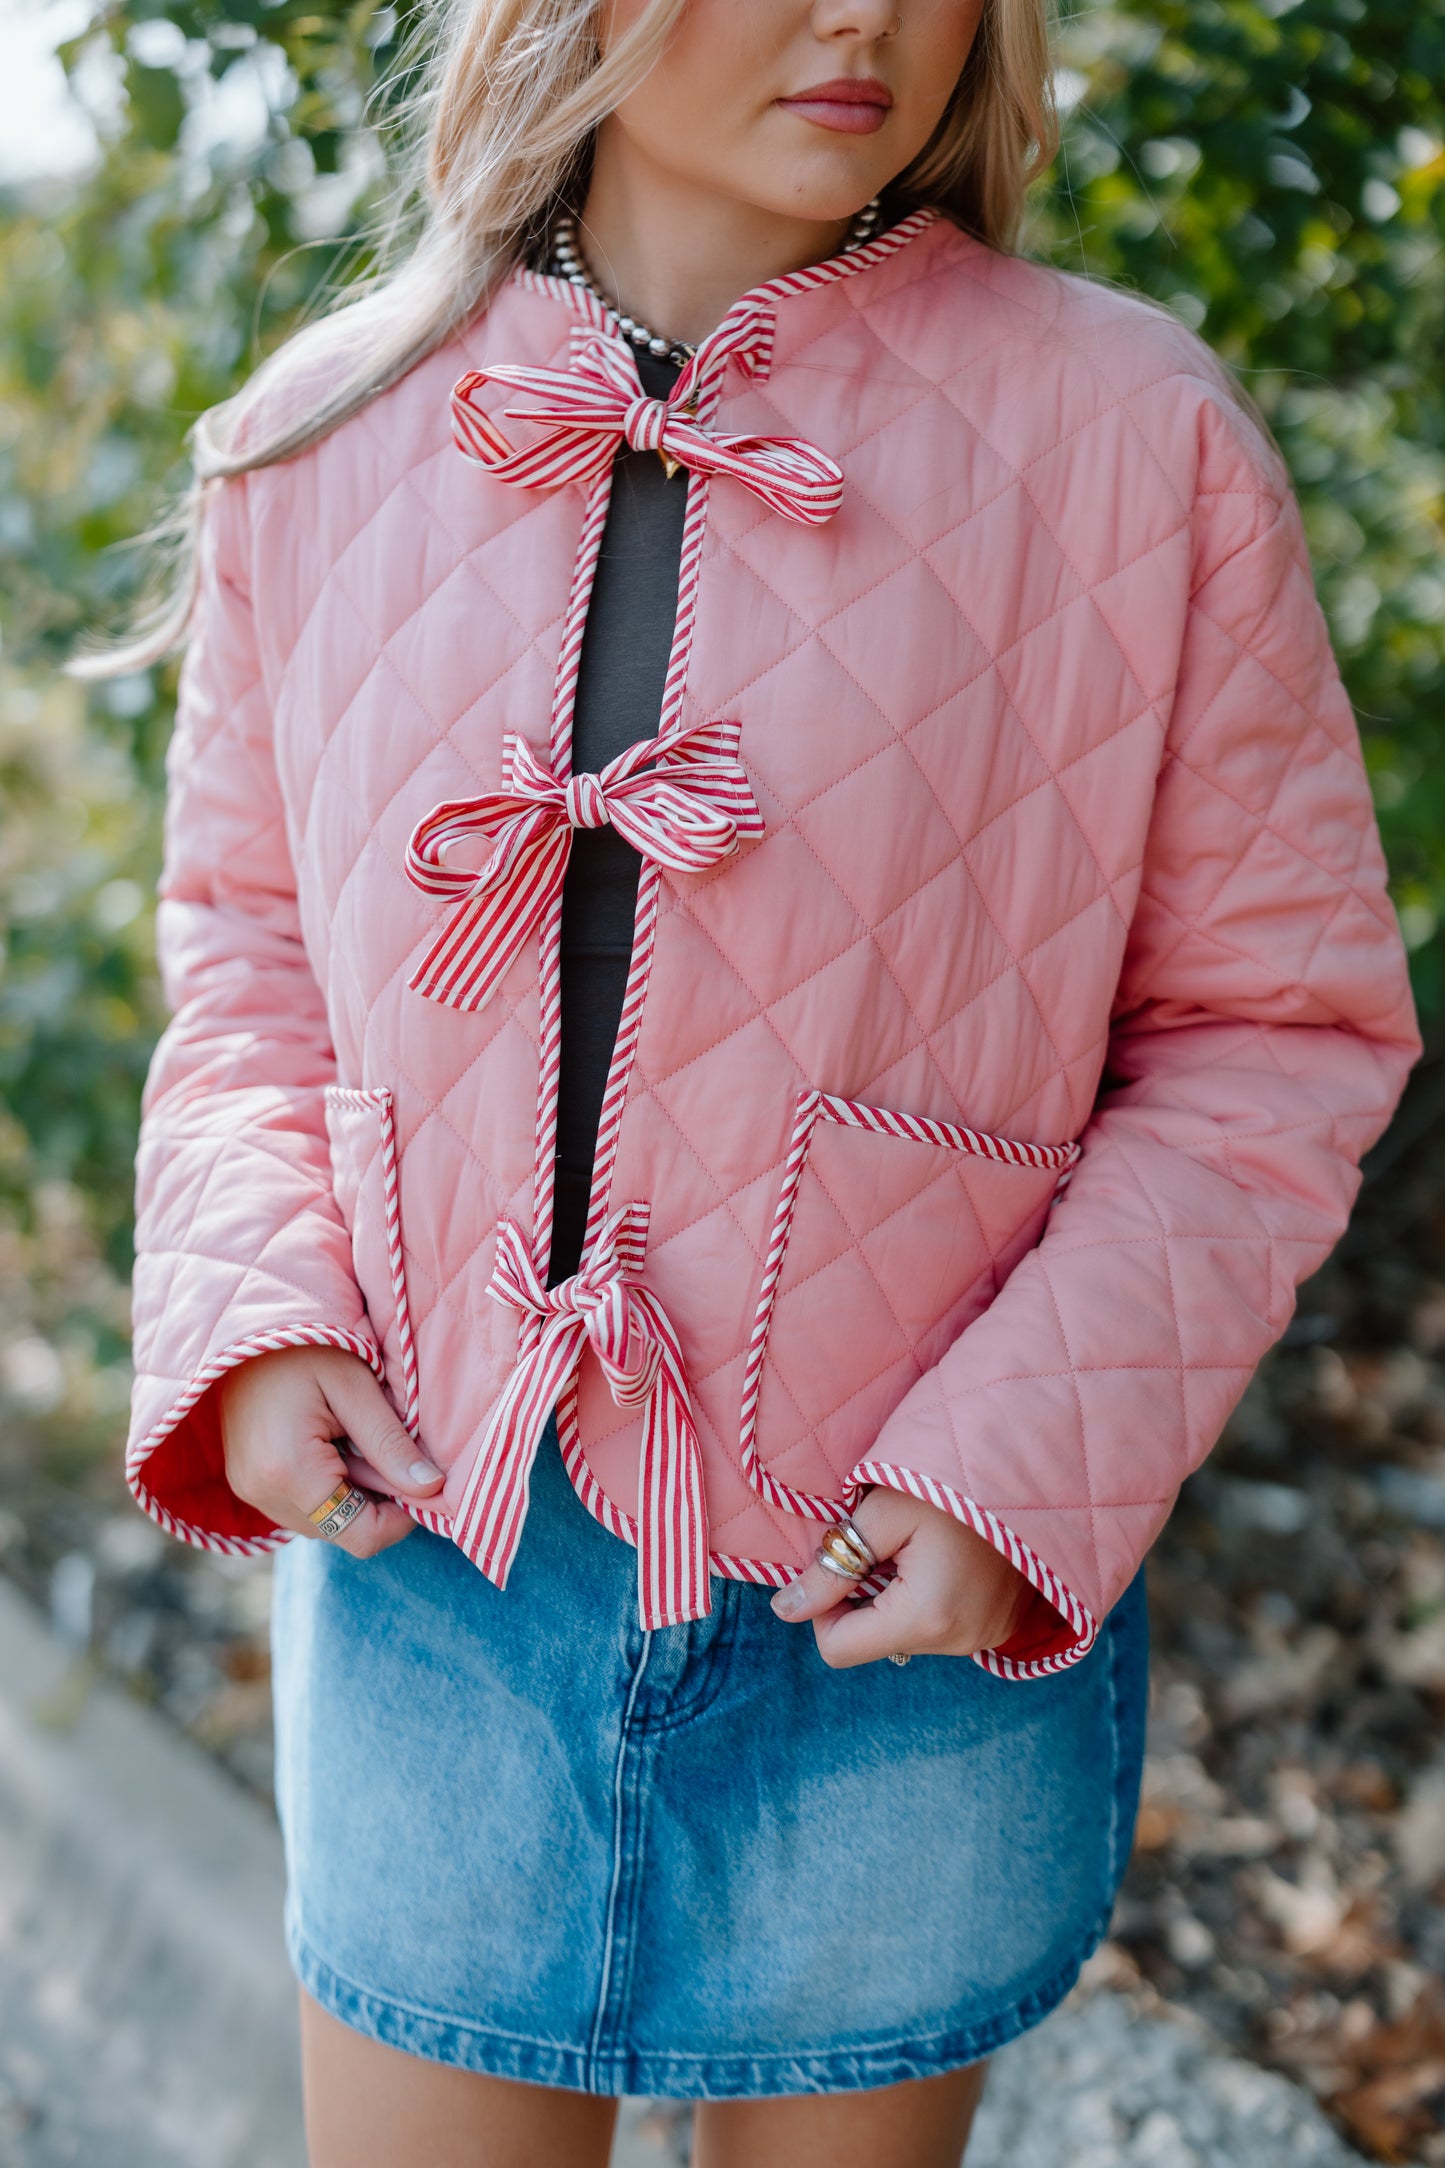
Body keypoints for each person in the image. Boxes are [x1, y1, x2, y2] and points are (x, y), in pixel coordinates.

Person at [98, 1, 1419, 2162]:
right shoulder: (315, 440)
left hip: (896, 1588)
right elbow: (248, 959)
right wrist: (259, 1318)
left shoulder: (1136, 440)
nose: (870, 19)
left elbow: (1276, 1032)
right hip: (438, 1554)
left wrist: (1022, 1475)